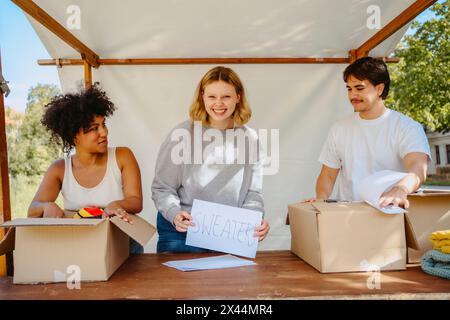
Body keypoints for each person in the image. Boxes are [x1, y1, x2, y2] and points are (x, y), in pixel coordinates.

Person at [152, 66, 270, 253]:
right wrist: (174, 214)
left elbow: (253, 193)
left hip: (229, 234)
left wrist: (255, 221)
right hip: (183, 235)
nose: (219, 103)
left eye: (226, 96)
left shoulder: (250, 139)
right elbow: (162, 188)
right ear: (202, 97)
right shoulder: (181, 135)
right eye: (212, 96)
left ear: (238, 97)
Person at [28, 85, 144, 253]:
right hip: (81, 245)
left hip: (123, 244)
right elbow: (32, 209)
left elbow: (135, 201)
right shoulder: (59, 169)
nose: (104, 132)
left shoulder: (123, 156)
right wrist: (46, 206)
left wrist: (115, 204)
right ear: (74, 135)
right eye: (94, 128)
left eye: (103, 124)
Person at [305, 57, 430, 209]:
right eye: (349, 89)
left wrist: (400, 189)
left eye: (359, 88)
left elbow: (418, 168)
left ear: (379, 89)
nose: (352, 95)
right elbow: (328, 175)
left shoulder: (407, 127)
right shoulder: (339, 128)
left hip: (389, 213)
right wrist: (321, 200)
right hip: (347, 215)